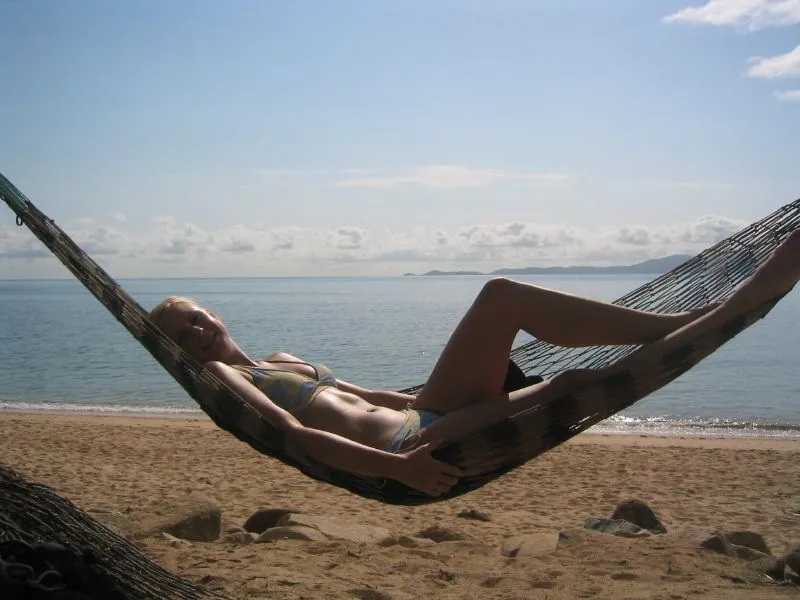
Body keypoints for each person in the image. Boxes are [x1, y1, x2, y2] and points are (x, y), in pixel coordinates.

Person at [149, 232, 800, 496]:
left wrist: (422, 401)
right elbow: (295, 435)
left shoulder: (279, 358)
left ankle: (692, 321)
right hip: (414, 446)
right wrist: (398, 465)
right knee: (559, 368)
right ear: (179, 350)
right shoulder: (225, 382)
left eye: (200, 318)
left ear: (216, 314)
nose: (200, 333)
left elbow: (367, 394)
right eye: (186, 333)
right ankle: (704, 318)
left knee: (517, 316)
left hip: (421, 412)